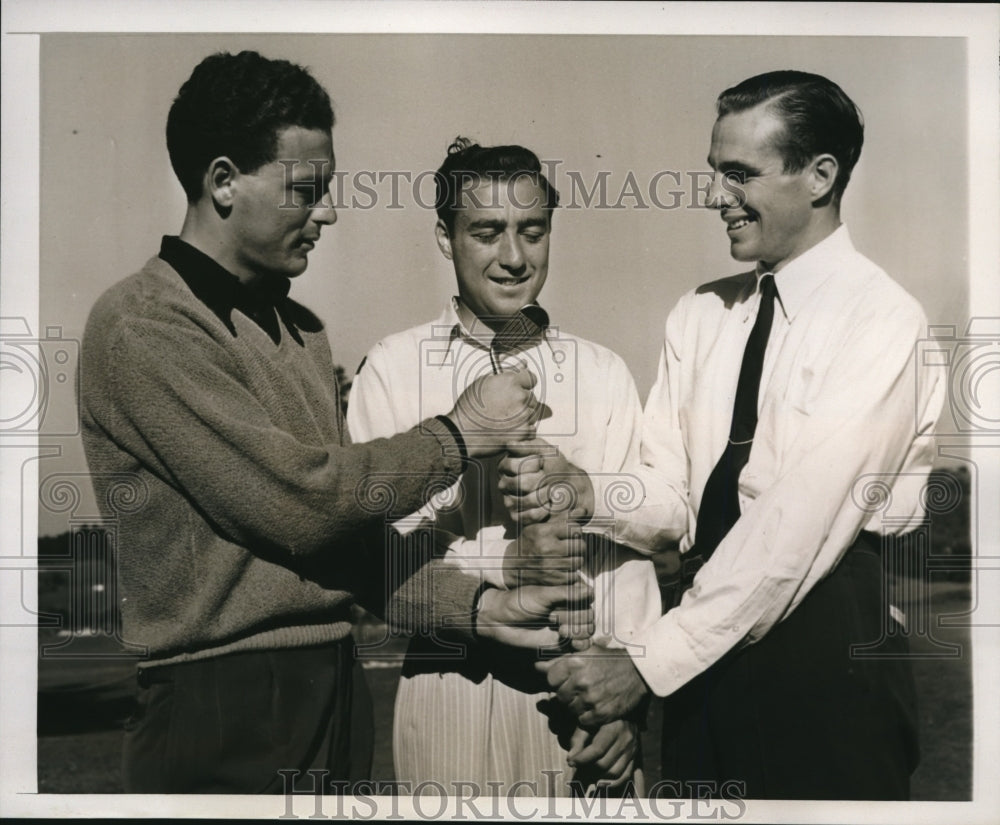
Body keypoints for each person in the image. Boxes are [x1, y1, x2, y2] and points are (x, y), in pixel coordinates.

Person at [79, 51, 585, 794]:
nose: (330, 212)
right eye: (306, 191)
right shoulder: (144, 326)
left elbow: (347, 549)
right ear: (223, 181)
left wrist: (482, 607)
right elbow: (303, 505)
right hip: (217, 700)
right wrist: (461, 431)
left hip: (336, 684)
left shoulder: (300, 329)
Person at [522, 71, 945, 799]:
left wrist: (647, 663)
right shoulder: (700, 314)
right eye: (715, 172)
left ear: (820, 176)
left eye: (740, 173)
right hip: (709, 643)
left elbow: (796, 525)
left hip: (825, 646)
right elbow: (674, 497)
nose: (717, 195)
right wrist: (584, 487)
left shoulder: (883, 320)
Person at [347, 139, 662, 797]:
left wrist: (628, 691)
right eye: (487, 232)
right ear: (445, 235)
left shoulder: (600, 370)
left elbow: (636, 552)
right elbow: (371, 553)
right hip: (446, 678)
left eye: (532, 231)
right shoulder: (394, 364)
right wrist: (500, 564)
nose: (514, 257)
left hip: (576, 696)